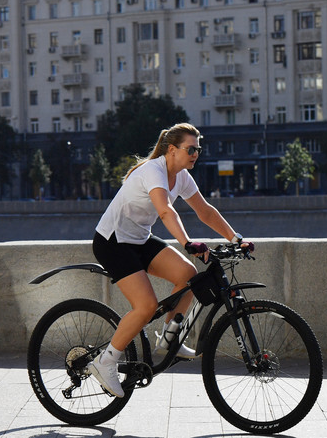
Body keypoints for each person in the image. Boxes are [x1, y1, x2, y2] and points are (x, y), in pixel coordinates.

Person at [87, 122, 253, 398]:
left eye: (198, 149)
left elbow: (205, 211)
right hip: (112, 242)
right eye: (191, 149)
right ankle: (105, 361)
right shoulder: (153, 171)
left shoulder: (182, 176)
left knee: (188, 274)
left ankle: (169, 336)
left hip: (139, 239)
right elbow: (165, 211)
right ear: (172, 150)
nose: (196, 154)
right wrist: (186, 242)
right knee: (146, 306)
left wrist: (236, 238)